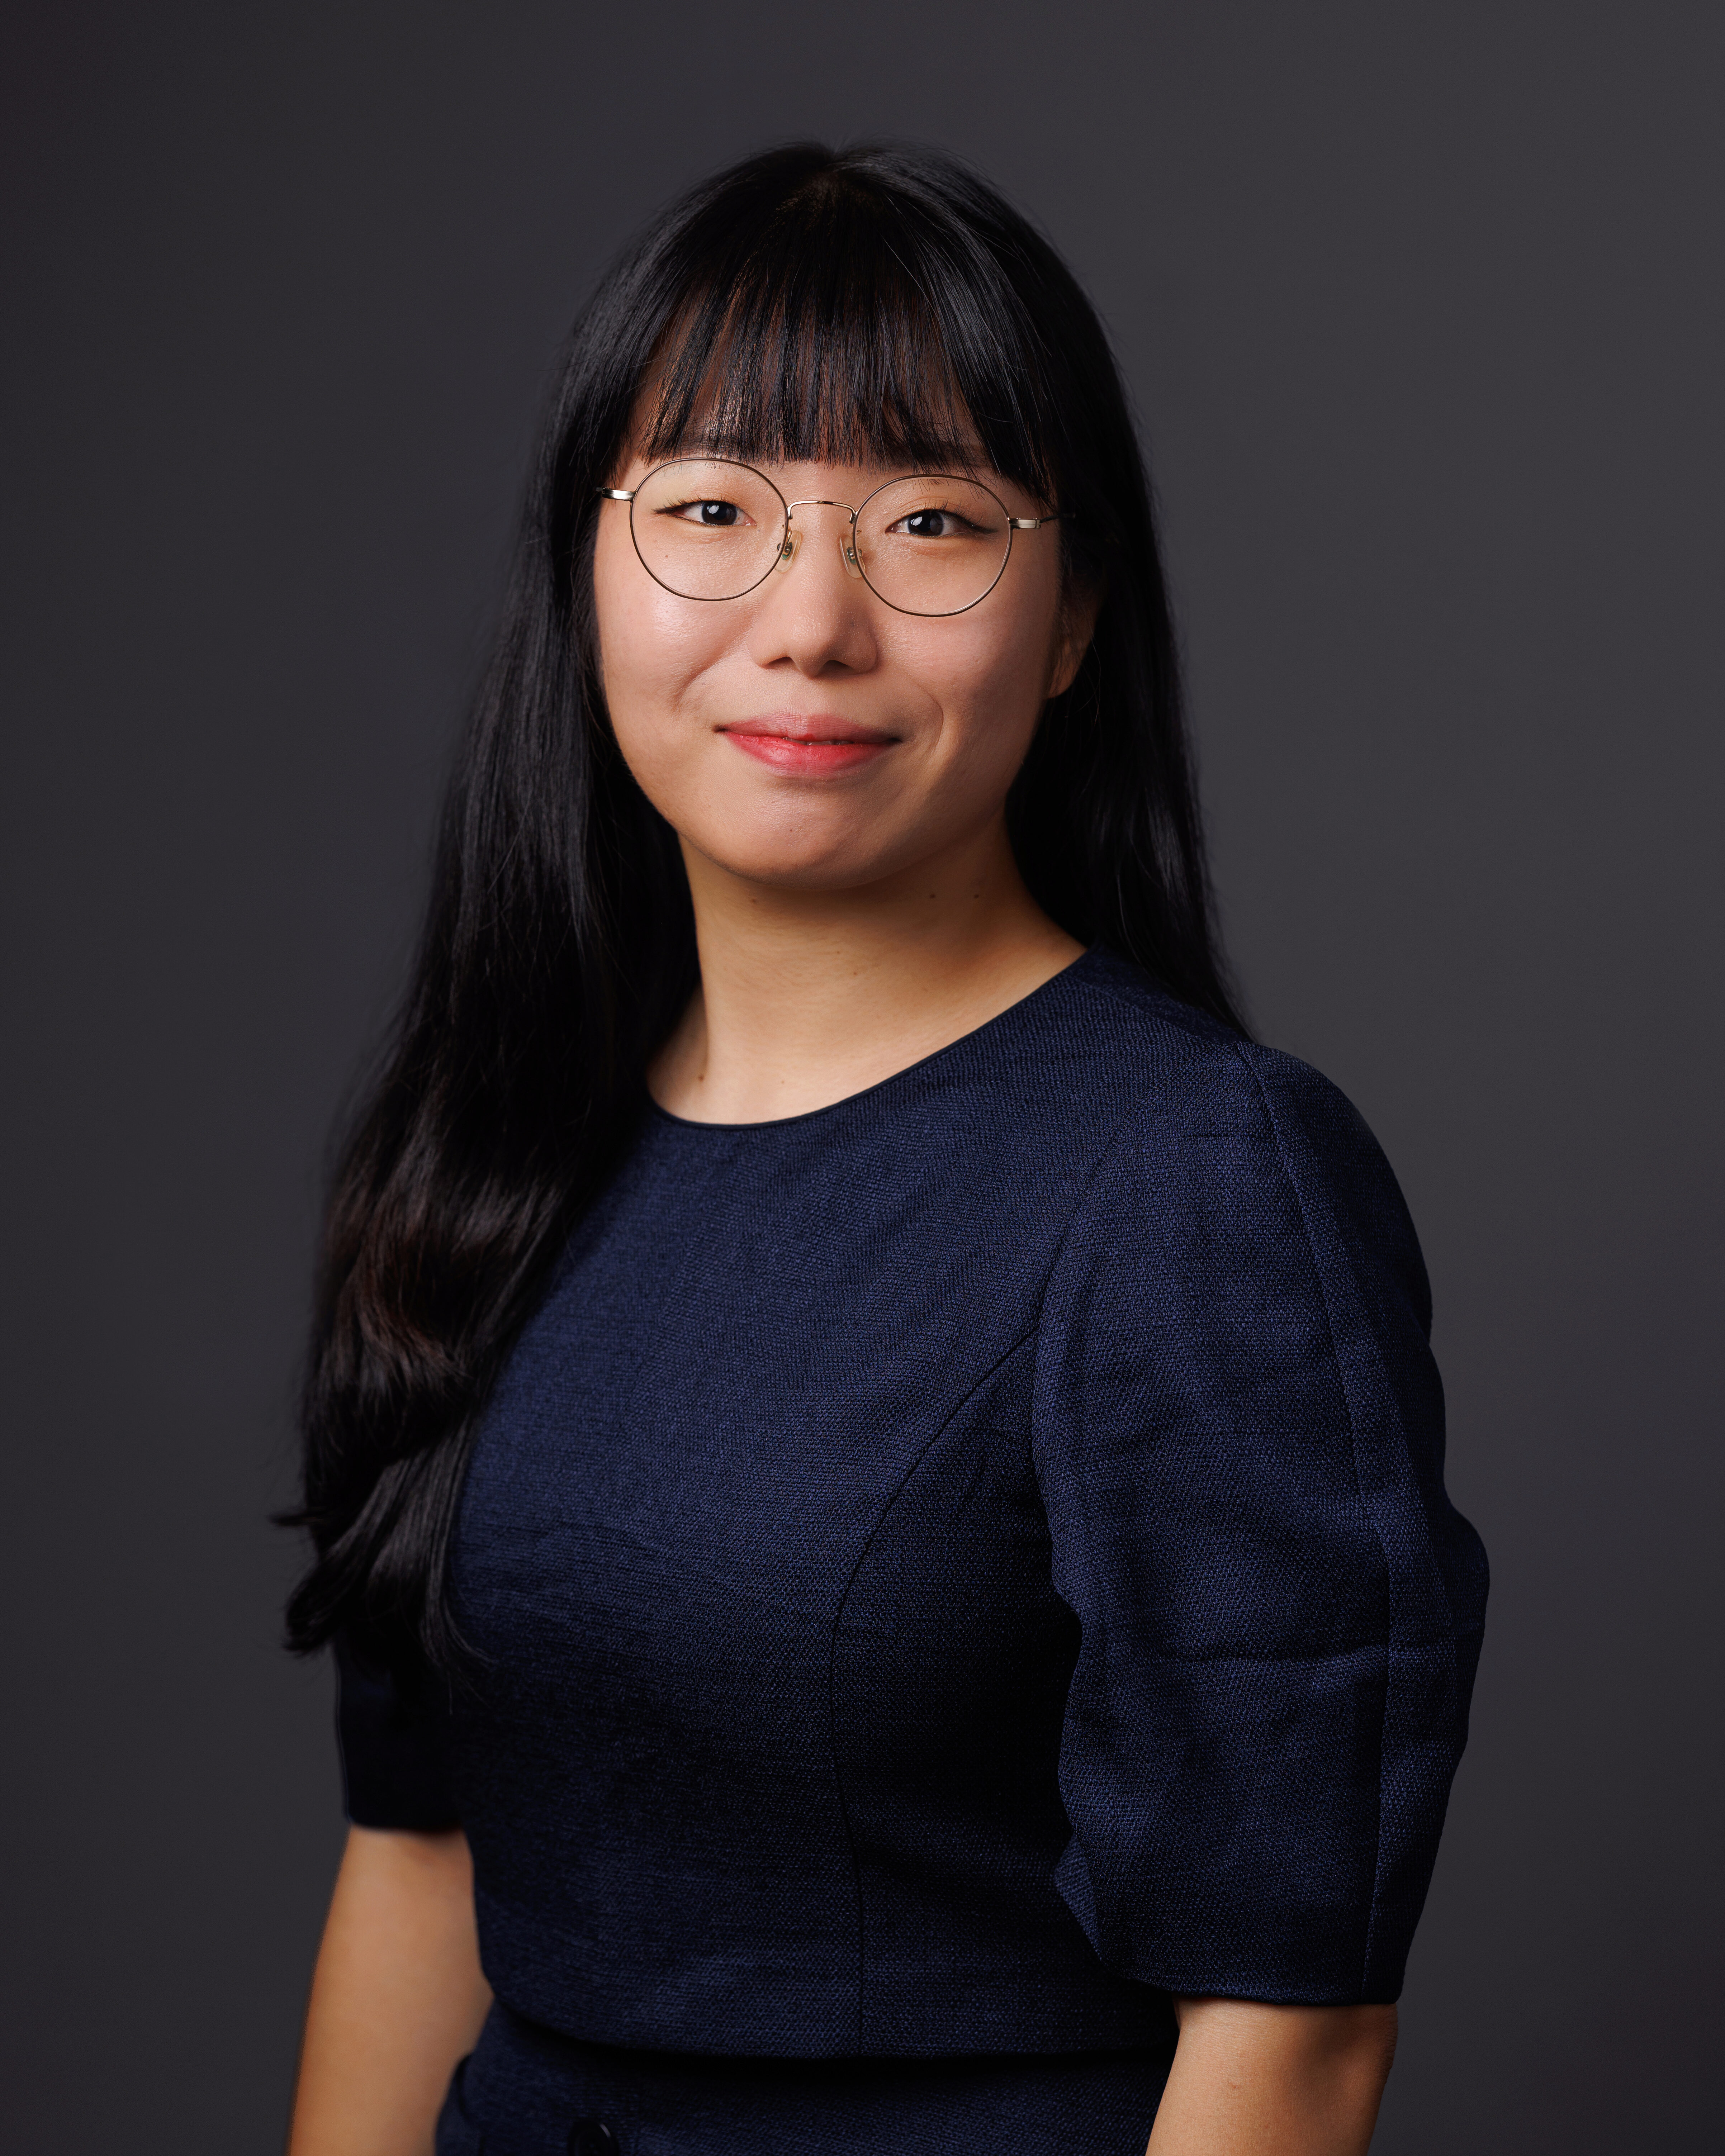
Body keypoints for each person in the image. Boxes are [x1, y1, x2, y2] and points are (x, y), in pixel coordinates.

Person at [283, 141, 1487, 2156]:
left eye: (931, 519)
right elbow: (422, 1866)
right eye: (711, 512)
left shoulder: (1201, 1187)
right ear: (588, 571)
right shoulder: (488, 1148)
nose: (808, 621)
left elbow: (1290, 2034)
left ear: (1076, 611)